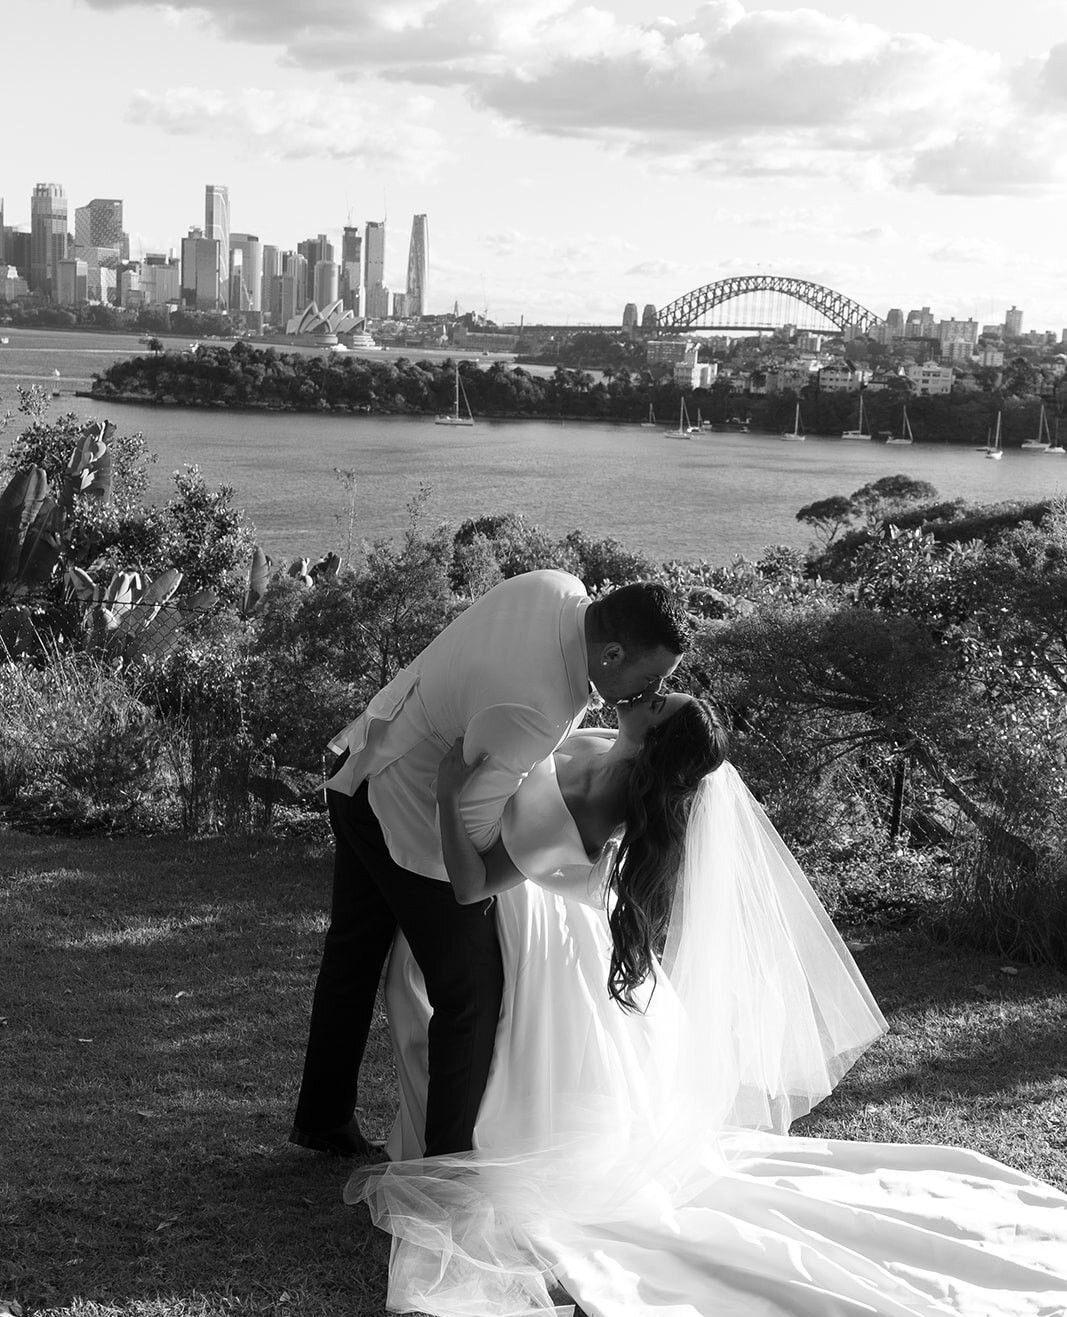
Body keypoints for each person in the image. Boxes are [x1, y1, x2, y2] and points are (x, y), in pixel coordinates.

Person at [350, 694, 1067, 1317]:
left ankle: (460, 1154)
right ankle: (438, 1139)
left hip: (532, 935)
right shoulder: (605, 741)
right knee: (432, 1010)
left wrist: (447, 793)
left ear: (649, 742)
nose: (644, 694)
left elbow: (475, 886)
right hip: (540, 922)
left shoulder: (595, 811)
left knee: (501, 1065)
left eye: (655, 703)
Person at [290, 569, 689, 1159]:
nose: (645, 691)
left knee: (352, 953)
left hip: (363, 765)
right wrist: (527, 847)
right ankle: (447, 1167)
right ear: (612, 652)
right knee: (470, 994)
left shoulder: (554, 586)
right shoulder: (539, 706)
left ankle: (323, 1121)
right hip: (405, 815)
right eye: (650, 677)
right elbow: (472, 847)